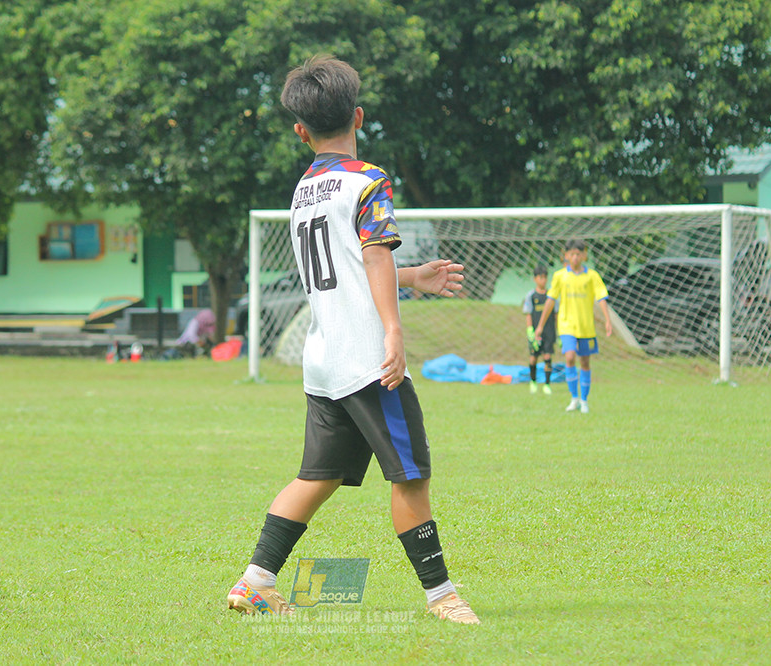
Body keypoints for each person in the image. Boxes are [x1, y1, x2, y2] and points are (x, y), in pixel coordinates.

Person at [226, 55, 478, 625]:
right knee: (410, 476)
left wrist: (414, 276)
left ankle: (253, 584)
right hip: (367, 360)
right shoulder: (369, 180)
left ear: (300, 131)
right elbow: (369, 255)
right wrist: (394, 330)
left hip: (323, 360)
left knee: (318, 477)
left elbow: (353, 265)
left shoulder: (302, 193)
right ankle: (443, 597)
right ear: (358, 116)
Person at [534, 239, 612, 413]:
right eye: (572, 254)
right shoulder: (560, 276)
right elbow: (550, 301)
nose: (575, 257)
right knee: (569, 357)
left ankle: (584, 400)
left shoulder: (592, 276)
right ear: (566, 255)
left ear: (584, 255)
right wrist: (540, 326)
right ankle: (573, 398)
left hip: (586, 327)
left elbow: (601, 298)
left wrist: (607, 320)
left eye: (578, 254)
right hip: (566, 325)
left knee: (584, 361)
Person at [523, 264, 557, 395]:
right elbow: (528, 313)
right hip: (535, 333)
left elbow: (556, 314)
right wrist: (530, 330)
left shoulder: (551, 296)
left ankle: (547, 384)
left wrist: (558, 332)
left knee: (547, 357)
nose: (543, 280)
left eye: (544, 277)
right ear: (535, 279)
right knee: (533, 358)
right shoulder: (531, 296)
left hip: (549, 331)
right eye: (540, 278)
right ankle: (533, 382)